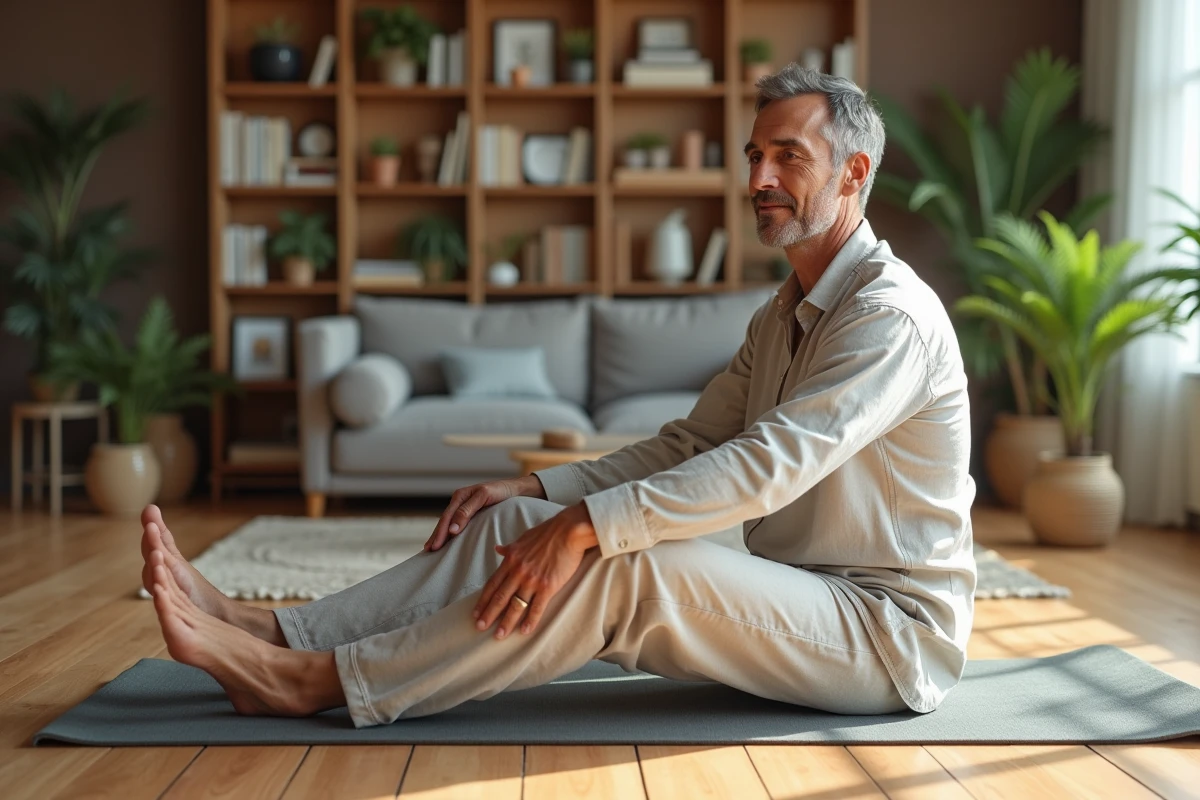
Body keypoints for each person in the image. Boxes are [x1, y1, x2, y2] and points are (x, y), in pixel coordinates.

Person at [141, 64, 976, 727]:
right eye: (754, 154)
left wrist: (587, 527)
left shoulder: (887, 317)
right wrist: (540, 492)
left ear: (854, 173)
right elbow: (690, 443)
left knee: (617, 565)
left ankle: (308, 683)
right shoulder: (785, 311)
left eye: (788, 156)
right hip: (808, 601)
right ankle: (277, 632)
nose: (758, 175)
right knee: (517, 527)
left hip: (886, 634)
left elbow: (768, 466)